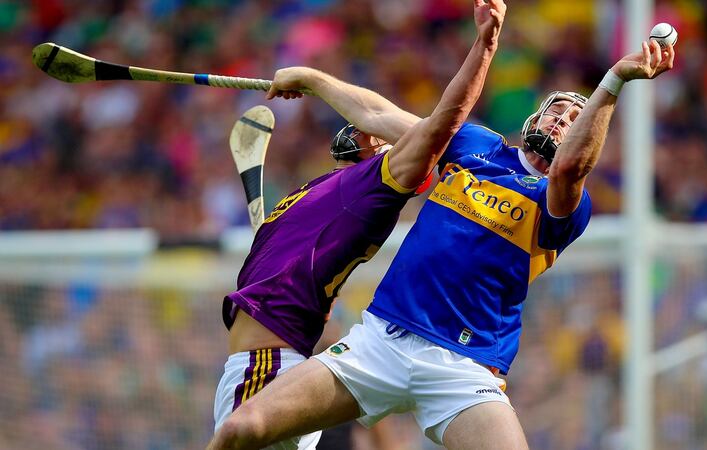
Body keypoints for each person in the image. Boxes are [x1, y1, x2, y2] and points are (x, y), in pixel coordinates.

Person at [210, 26, 674, 449]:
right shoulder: (476, 145)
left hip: (463, 367)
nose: (561, 121)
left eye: (575, 121)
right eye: (556, 112)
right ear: (535, 117)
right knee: (240, 429)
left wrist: (612, 80)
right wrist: (314, 80)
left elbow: (572, 166)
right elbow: (378, 114)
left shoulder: (566, 203)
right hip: (380, 342)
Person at [211, 0, 506, 448]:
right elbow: (374, 113)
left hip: (266, 368)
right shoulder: (330, 185)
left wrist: (484, 44)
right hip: (269, 365)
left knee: (235, 435)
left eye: (384, 135)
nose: (364, 125)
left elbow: (435, 124)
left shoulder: (379, 186)